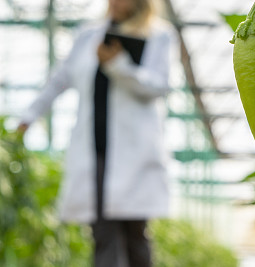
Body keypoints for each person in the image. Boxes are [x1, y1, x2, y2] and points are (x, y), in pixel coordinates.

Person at [18, 0, 178, 266]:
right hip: (95, 149)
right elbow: (60, 78)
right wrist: (29, 117)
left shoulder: (159, 34)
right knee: (102, 232)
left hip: (133, 152)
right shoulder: (88, 34)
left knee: (135, 232)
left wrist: (119, 65)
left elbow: (160, 85)